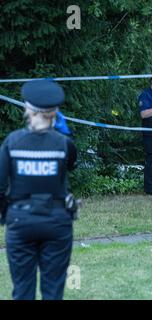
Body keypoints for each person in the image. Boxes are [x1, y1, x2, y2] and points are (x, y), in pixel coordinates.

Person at [0, 80, 78, 300]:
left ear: (28, 109)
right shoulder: (63, 143)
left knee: (22, 290)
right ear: (55, 112)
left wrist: (8, 214)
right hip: (57, 221)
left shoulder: (12, 142)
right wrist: (65, 135)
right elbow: (71, 163)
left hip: (20, 220)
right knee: (53, 290)